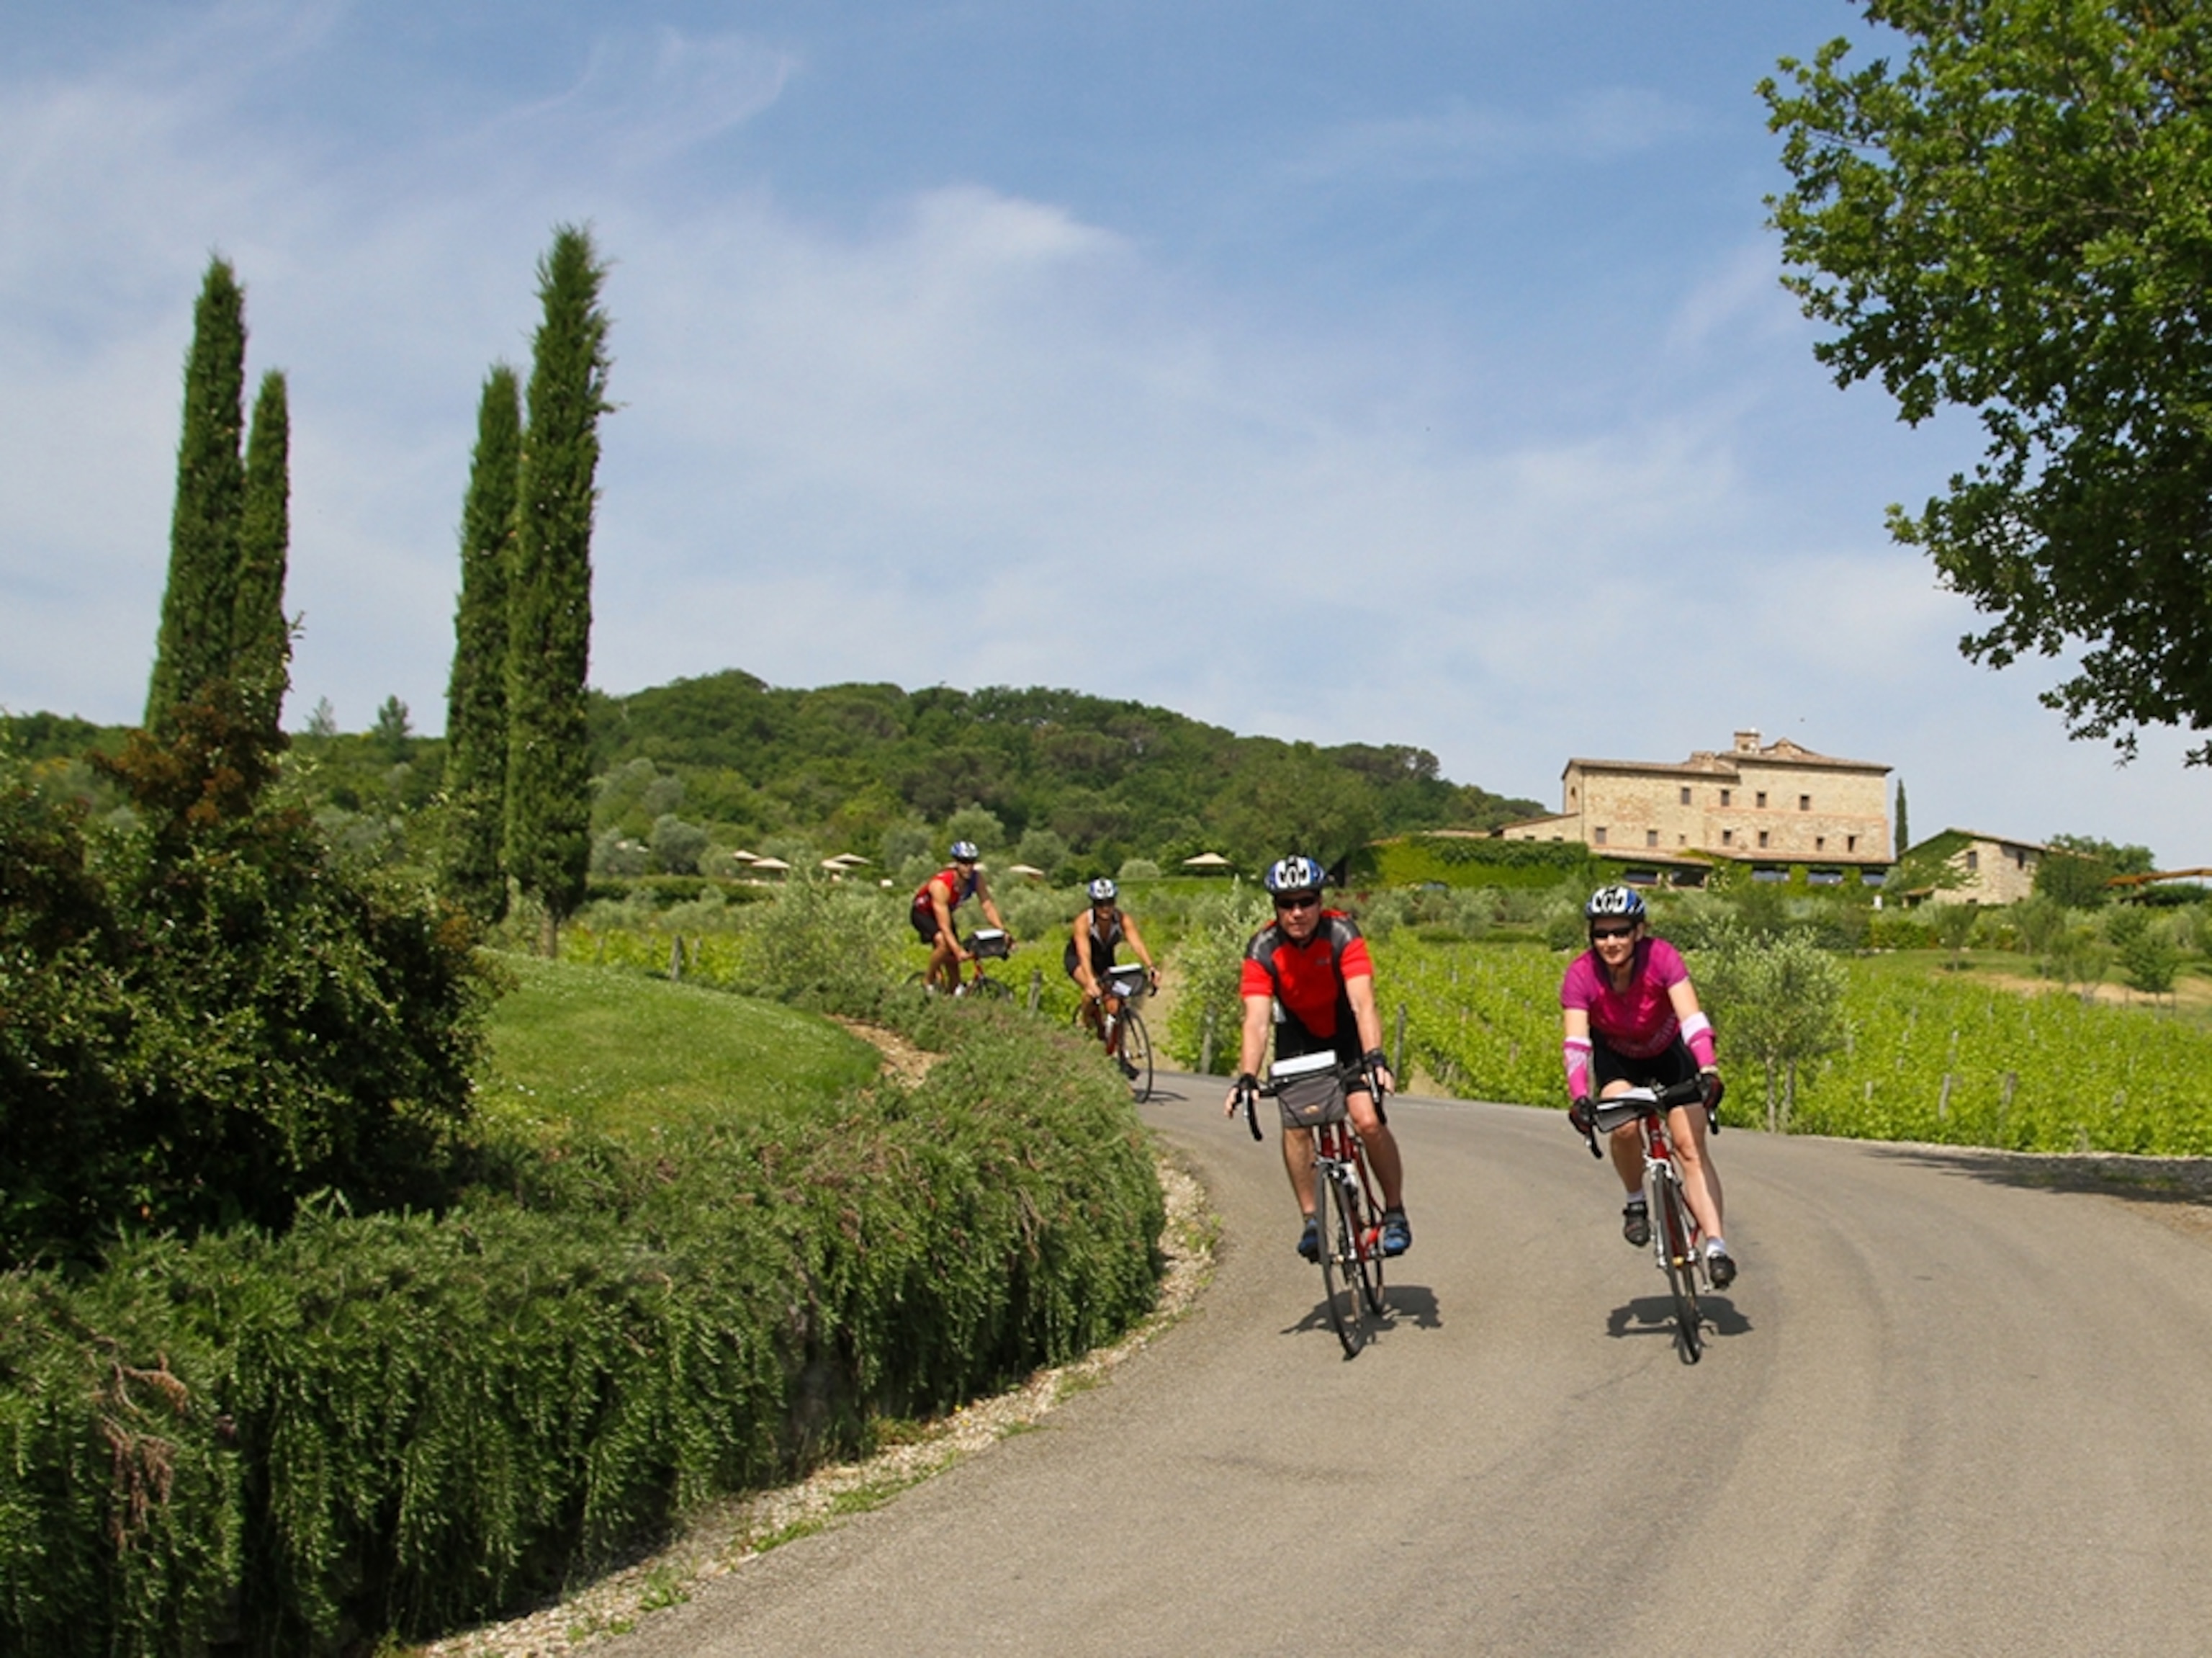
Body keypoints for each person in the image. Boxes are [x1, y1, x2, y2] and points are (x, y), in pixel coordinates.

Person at [1223, 855, 1411, 1260]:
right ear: (1275, 907)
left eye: (1306, 901)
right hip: (1299, 1036)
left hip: (1346, 1033)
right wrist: (1247, 1076)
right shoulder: (1262, 947)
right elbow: (1256, 1022)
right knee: (1296, 1125)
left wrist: (1375, 1058)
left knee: (1366, 1119)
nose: (1296, 912)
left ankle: (1394, 1212)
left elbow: (1363, 1003)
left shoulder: (1342, 932)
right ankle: (1312, 1219)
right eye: (1285, 903)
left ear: (1320, 901)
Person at [1560, 884, 1735, 1287]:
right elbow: (1575, 1042)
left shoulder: (1663, 958)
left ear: (1639, 931)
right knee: (1620, 1123)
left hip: (1669, 1051)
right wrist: (1579, 1097)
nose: (1611, 942)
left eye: (1620, 931)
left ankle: (1716, 1246)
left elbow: (1691, 1018)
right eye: (1601, 934)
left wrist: (1708, 1070)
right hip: (1617, 1058)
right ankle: (1635, 1201)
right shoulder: (1581, 974)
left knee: (1689, 1148)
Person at [1065, 877, 1159, 1071]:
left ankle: (1119, 1054)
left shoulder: (1122, 919)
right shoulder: (1083, 922)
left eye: (1110, 903)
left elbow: (1137, 943)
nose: (1105, 908)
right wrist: (1090, 980)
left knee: (1116, 1005)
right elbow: (1084, 952)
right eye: (1100, 904)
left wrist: (1151, 966)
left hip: (1106, 960)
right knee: (1092, 991)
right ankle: (1084, 1021)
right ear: (1093, 904)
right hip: (1079, 958)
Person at [910, 841, 1009, 993]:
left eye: (971, 862)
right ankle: (927, 981)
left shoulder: (976, 879)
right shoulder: (941, 885)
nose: (968, 867)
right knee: (944, 943)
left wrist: (1002, 931)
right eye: (964, 862)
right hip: (923, 914)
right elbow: (944, 926)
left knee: (954, 971)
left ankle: (948, 999)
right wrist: (957, 950)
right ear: (956, 863)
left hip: (945, 913)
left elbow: (987, 905)